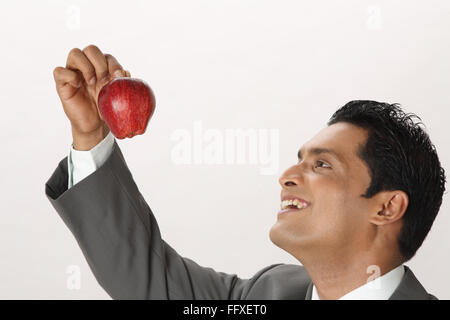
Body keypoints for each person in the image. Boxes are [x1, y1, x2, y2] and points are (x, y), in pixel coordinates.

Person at [46, 44, 446, 300]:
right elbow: (146, 280)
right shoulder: (266, 294)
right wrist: (91, 135)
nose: (287, 174)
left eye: (321, 164)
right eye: (299, 158)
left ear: (387, 207)